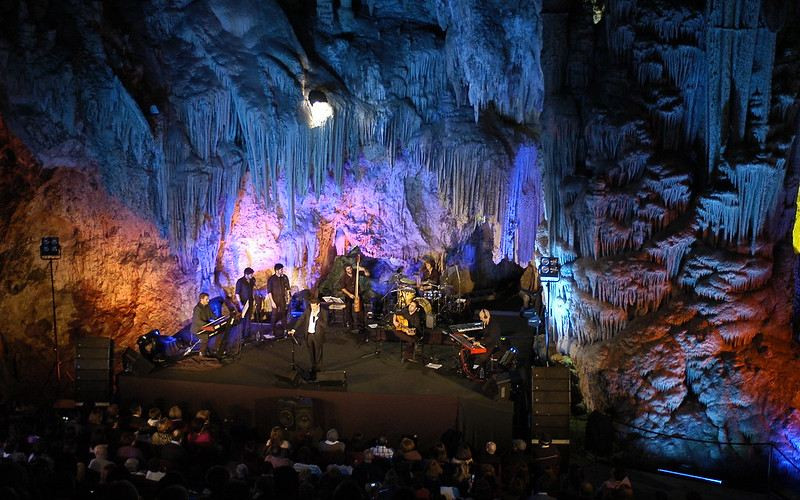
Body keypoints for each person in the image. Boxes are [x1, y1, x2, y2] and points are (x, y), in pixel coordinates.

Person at [290, 296, 328, 379]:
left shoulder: (323, 312)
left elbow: (325, 325)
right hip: (309, 335)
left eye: (314, 306)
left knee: (318, 353)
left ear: (318, 305)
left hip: (317, 336)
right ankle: (313, 368)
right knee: (311, 353)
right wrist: (294, 329)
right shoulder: (308, 311)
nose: (312, 308)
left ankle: (318, 371)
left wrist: (317, 318)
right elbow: (301, 319)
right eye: (311, 306)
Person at [339, 261, 370, 333]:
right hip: (349, 295)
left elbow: (367, 274)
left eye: (350, 268)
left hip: (357, 294)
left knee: (360, 310)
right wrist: (349, 294)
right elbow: (342, 288)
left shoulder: (355, 272)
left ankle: (361, 326)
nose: (350, 270)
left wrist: (364, 269)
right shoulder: (343, 277)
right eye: (348, 269)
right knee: (348, 310)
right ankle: (350, 325)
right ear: (345, 270)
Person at [267, 263, 291, 335]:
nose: (282, 271)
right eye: (281, 269)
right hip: (275, 299)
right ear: (277, 270)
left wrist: (288, 297)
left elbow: (287, 288)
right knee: (274, 315)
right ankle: (272, 330)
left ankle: (285, 329)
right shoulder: (271, 279)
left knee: (283, 314)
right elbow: (269, 291)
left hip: (282, 299)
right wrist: (272, 302)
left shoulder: (284, 278)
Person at [235, 267, 256, 339]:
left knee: (249, 318)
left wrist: (253, 300)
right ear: (246, 274)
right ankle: (243, 335)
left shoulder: (251, 281)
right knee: (244, 319)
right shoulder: (240, 281)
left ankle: (248, 334)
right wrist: (240, 304)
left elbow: (252, 290)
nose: (252, 276)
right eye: (251, 274)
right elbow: (237, 293)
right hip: (244, 303)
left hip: (250, 301)